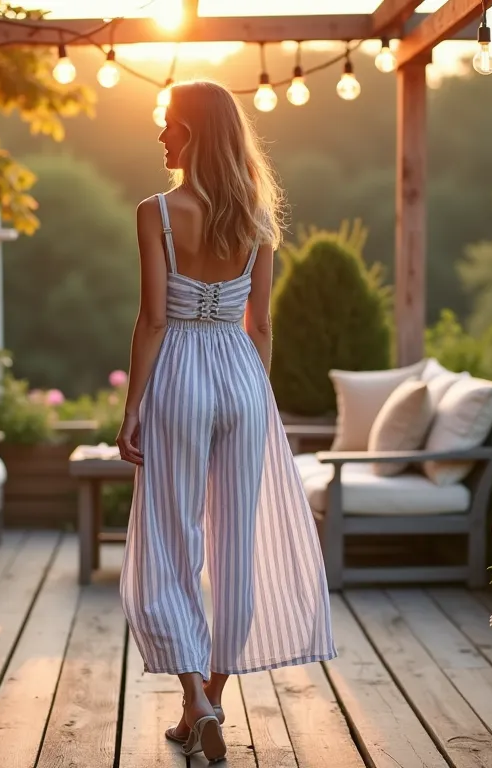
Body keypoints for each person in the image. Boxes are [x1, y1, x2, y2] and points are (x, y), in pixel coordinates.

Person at [115, 79, 336, 763]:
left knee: (168, 544)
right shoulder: (258, 216)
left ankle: (196, 697)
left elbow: (154, 318)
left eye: (169, 125)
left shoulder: (156, 212)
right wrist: (250, 394)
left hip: (179, 373)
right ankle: (207, 700)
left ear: (195, 133)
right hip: (241, 377)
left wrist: (132, 408)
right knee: (235, 549)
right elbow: (261, 323)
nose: (160, 137)